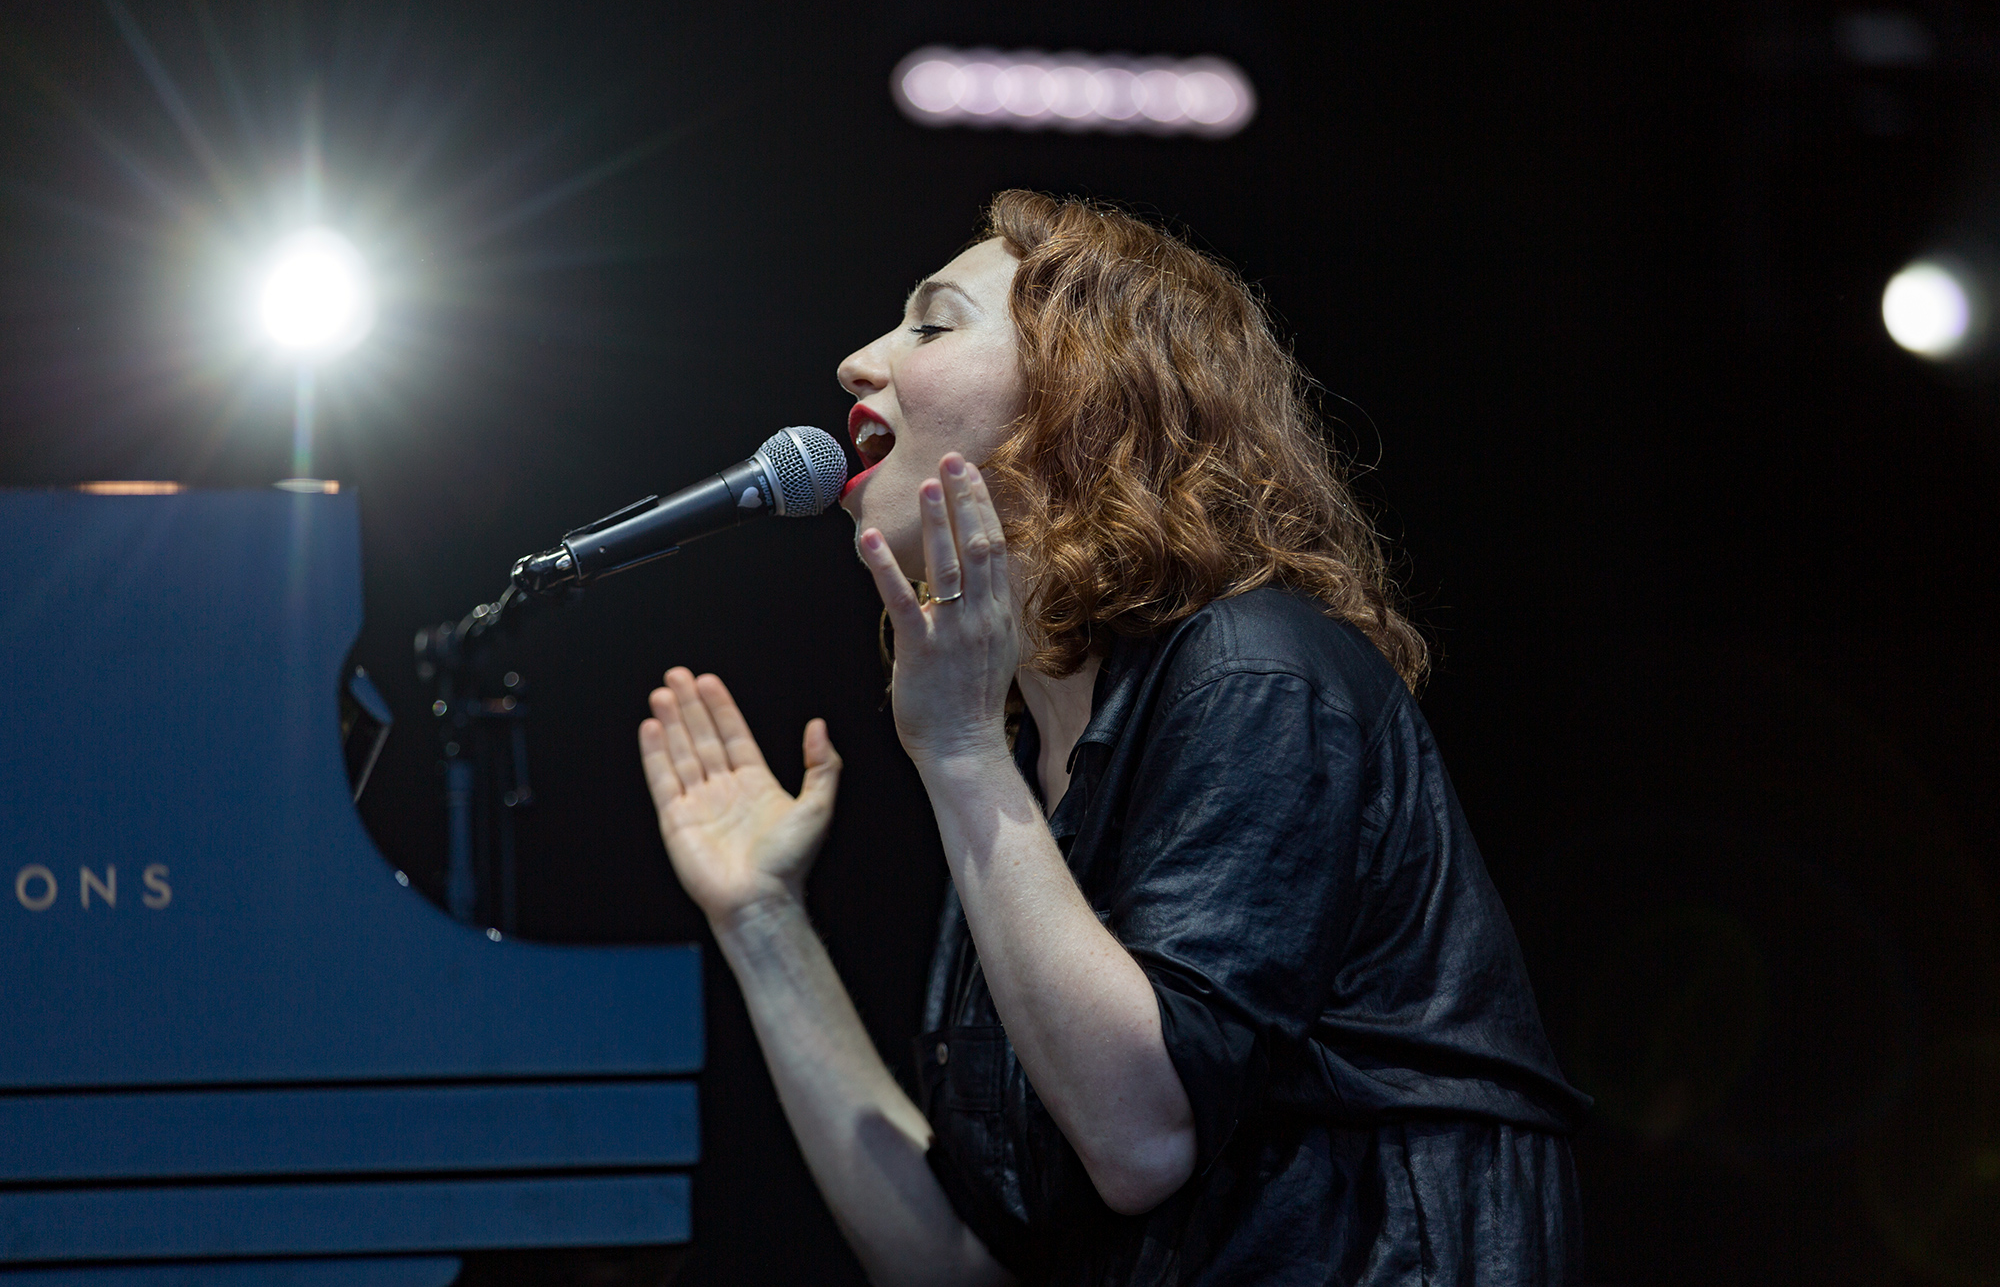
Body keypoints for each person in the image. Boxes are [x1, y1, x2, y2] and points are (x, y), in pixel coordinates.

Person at [637, 191, 1589, 1286]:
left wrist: (958, 754)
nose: (857, 362)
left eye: (933, 325)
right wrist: (763, 921)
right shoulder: (1026, 763)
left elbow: (1140, 1138)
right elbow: (956, 1265)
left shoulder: (1255, 668)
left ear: (1083, 393)